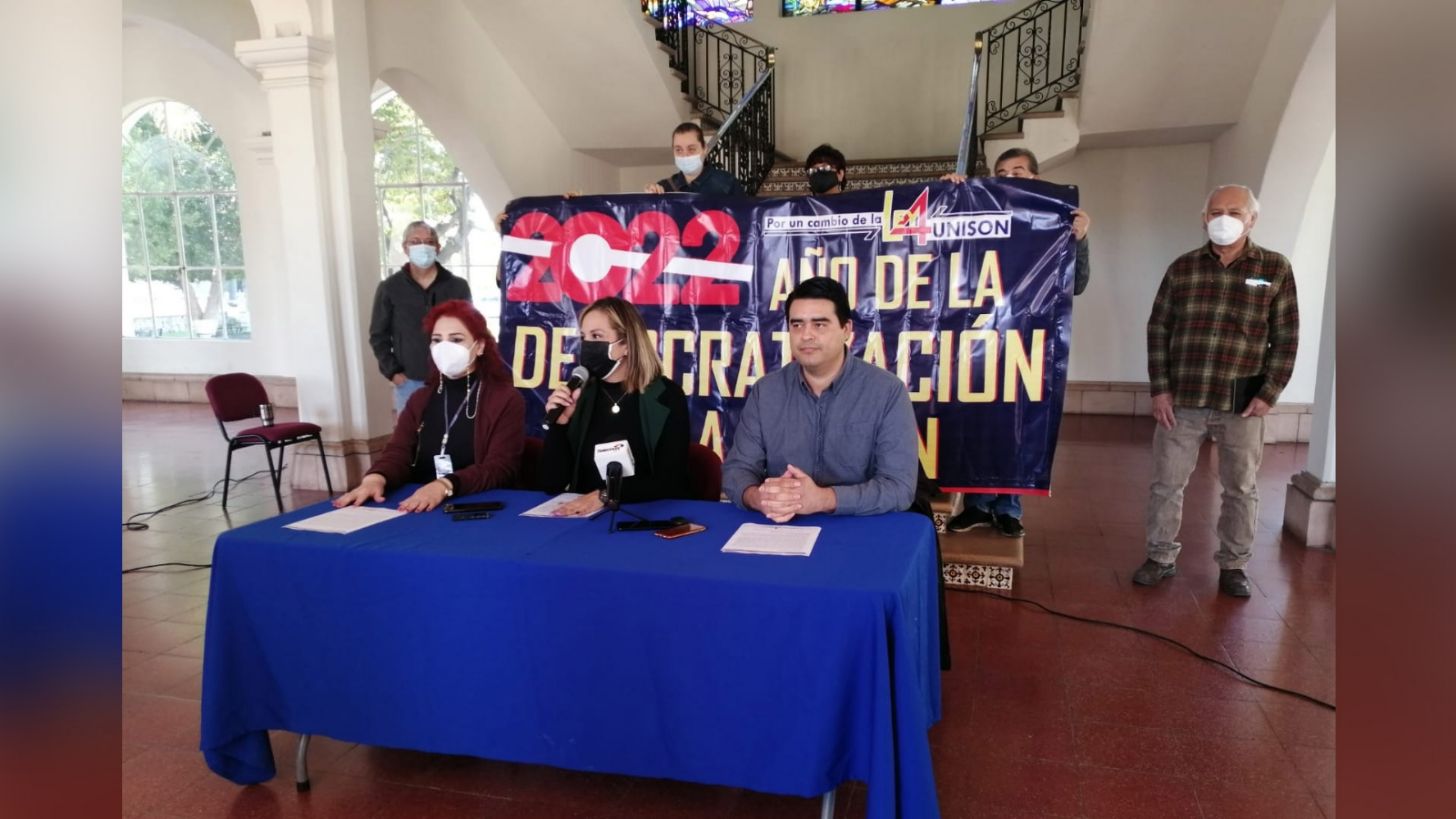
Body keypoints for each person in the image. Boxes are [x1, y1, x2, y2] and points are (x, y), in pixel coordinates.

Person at [1132, 184, 1299, 597]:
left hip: (1242, 403)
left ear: (1251, 220)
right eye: (1216, 211)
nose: (1224, 219)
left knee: (1240, 488)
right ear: (1204, 218)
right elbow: (1158, 329)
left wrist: (1270, 392)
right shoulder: (1183, 268)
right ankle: (1160, 556)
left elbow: (1286, 336)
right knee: (1166, 483)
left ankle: (1234, 565)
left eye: (1235, 212)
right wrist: (1160, 389)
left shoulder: (1275, 268)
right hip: (1183, 397)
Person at [943, 147, 1092, 537]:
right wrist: (950, 196)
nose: (1009, 178)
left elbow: (1076, 283)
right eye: (1002, 172)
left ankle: (1009, 507)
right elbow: (943, 255)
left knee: (1017, 422)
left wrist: (1079, 240)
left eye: (1019, 172)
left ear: (1036, 179)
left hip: (1026, 342)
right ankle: (977, 505)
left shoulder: (1053, 220)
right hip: (978, 339)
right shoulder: (978, 212)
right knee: (977, 418)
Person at [722, 277, 920, 521]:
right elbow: (737, 471)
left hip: (861, 525)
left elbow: (899, 488)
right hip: (783, 525)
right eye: (797, 324)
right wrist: (759, 498)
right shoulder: (766, 392)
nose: (806, 335)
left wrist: (824, 499)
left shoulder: (887, 392)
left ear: (846, 329)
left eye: (819, 324)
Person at [336, 300, 524, 513]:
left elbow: (500, 467)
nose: (444, 347)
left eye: (456, 339)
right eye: (437, 340)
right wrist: (376, 478)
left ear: (479, 346)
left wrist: (445, 485)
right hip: (416, 503)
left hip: (472, 504)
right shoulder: (420, 398)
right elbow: (398, 451)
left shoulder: (505, 399)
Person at [541, 297, 691, 517]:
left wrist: (604, 495)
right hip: (583, 517)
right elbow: (551, 483)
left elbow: (670, 481)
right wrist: (559, 426)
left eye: (597, 336)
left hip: (646, 516)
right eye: (583, 337)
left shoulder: (667, 396)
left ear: (626, 344)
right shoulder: (580, 395)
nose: (588, 345)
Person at [369, 221, 473, 413]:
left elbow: (470, 330)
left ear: (437, 248)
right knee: (412, 431)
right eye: (415, 242)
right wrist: (393, 373)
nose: (423, 246)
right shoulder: (390, 288)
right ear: (405, 248)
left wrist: (466, 368)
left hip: (451, 377)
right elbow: (378, 335)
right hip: (409, 381)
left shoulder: (458, 286)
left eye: (429, 242)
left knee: (454, 429)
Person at [643, 122, 745, 196]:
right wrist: (649, 197)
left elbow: (743, 216)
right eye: (678, 150)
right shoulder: (664, 188)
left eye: (691, 149)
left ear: (705, 149)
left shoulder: (727, 183)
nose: (685, 155)